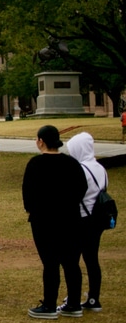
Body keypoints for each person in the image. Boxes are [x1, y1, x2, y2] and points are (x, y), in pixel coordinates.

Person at [22, 124, 88, 319]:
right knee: (71, 263)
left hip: (44, 221)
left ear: (41, 141)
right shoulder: (72, 164)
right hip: (70, 218)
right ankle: (74, 303)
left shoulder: (35, 164)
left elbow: (28, 195)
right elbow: (81, 188)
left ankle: (50, 304)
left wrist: (35, 209)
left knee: (50, 263)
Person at [66, 132, 108, 312]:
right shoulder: (100, 168)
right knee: (92, 259)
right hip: (97, 219)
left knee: (72, 261)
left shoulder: (80, 169)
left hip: (81, 219)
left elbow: (74, 194)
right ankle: (93, 298)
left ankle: (73, 299)